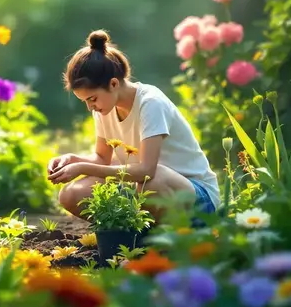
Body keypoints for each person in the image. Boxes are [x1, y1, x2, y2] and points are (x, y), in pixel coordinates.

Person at [47, 29, 220, 223]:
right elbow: (102, 158)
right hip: (148, 188)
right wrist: (72, 160)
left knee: (153, 181)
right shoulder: (105, 108)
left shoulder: (151, 103)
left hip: (196, 197)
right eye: (85, 101)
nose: (90, 107)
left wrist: (82, 168)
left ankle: (170, 238)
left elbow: (147, 170)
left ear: (113, 84)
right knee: (71, 194)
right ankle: (132, 232)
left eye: (92, 99)